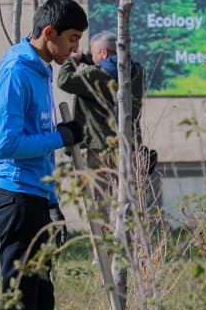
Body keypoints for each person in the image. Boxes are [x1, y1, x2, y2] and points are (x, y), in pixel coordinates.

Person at [0, 0, 88, 310]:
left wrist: (53, 203)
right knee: (18, 304)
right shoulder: (16, 71)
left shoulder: (41, 70)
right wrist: (58, 136)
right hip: (14, 198)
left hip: (38, 198)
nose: (73, 50)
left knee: (41, 305)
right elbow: (5, 145)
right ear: (49, 34)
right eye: (70, 40)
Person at [56, 30, 154, 219]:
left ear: (103, 54)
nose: (91, 59)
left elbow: (64, 81)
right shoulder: (136, 72)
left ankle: (104, 247)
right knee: (131, 204)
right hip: (130, 147)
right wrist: (90, 59)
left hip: (100, 150)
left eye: (94, 54)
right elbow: (112, 68)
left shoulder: (95, 76)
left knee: (99, 204)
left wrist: (74, 60)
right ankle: (132, 246)